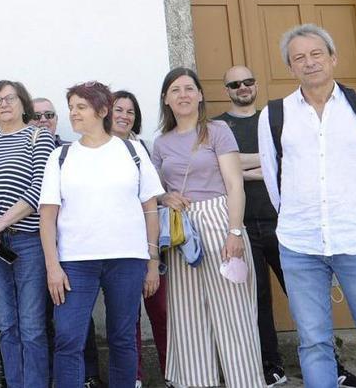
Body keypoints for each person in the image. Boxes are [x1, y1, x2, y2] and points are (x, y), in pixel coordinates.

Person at [259, 24, 356, 387]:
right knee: (313, 343)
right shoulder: (274, 115)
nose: (309, 63)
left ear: (333, 58)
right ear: (290, 67)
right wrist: (298, 216)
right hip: (300, 245)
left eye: (316, 54)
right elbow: (274, 179)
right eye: (299, 58)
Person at [215, 65, 356, 388]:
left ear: (256, 84)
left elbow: (288, 162)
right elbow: (223, 168)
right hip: (241, 227)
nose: (242, 87)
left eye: (248, 81)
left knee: (307, 301)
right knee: (257, 302)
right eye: (235, 84)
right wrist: (264, 161)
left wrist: (242, 167)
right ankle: (271, 368)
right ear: (226, 89)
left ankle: (334, 369)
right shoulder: (218, 127)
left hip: (285, 224)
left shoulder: (275, 119)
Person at [39, 81, 162, 388]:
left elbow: (150, 209)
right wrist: (52, 267)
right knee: (68, 338)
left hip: (128, 260)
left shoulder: (133, 151)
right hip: (75, 263)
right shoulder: (61, 156)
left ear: (103, 110)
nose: (73, 113)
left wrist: (152, 260)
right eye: (71, 107)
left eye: (81, 107)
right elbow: (47, 216)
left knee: (123, 338)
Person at [151, 68, 265, 387]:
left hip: (219, 218)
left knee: (234, 312)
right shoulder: (161, 143)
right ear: (166, 99)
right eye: (175, 90)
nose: (183, 95)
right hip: (182, 231)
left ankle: (245, 382)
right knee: (188, 315)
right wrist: (165, 196)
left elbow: (235, 183)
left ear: (200, 95)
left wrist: (235, 231)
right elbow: (154, 189)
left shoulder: (217, 131)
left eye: (189, 88)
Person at [0, 80, 55, 388]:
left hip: (28, 243)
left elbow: (40, 188)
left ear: (23, 103)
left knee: (32, 327)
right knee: (5, 325)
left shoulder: (38, 137)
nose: (3, 104)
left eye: (10, 98)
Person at [111, 89, 168, 385]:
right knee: (126, 317)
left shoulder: (142, 148)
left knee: (161, 312)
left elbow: (153, 195)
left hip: (148, 242)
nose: (124, 116)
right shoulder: (94, 150)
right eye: (118, 110)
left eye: (130, 112)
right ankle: (133, 377)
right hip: (118, 248)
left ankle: (172, 372)